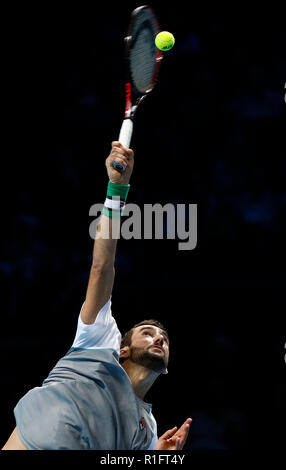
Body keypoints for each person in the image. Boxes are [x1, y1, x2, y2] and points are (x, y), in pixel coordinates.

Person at [2, 141, 192, 450]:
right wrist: (117, 189)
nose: (159, 339)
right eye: (148, 333)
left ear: (167, 366)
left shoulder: (148, 430)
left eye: (164, 339)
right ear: (124, 350)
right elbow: (101, 266)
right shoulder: (100, 341)